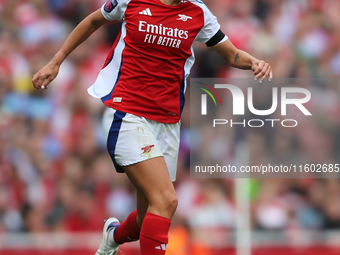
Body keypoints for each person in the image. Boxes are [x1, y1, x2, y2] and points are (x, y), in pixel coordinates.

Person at [32, 0, 273, 254]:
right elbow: (94, 20)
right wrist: (56, 61)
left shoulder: (198, 12)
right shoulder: (131, 1)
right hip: (128, 114)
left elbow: (231, 54)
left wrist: (254, 62)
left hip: (167, 124)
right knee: (167, 200)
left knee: (144, 220)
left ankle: (111, 237)